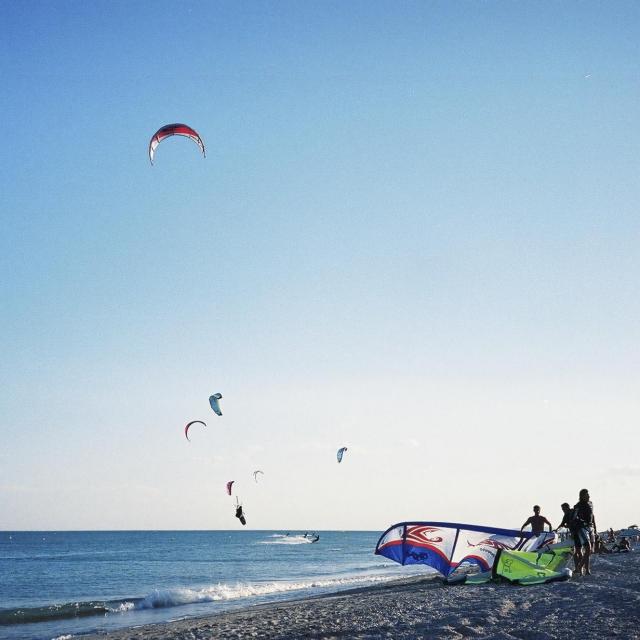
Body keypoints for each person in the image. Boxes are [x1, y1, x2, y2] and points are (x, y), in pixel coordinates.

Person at [573, 489, 596, 575]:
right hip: (582, 528)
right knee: (587, 549)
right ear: (582, 496)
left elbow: (593, 516)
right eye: (587, 495)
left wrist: (595, 529)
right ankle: (580, 567)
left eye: (588, 495)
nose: (588, 496)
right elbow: (574, 518)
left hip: (590, 527)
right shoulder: (578, 506)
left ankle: (586, 569)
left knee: (590, 550)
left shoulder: (590, 504)